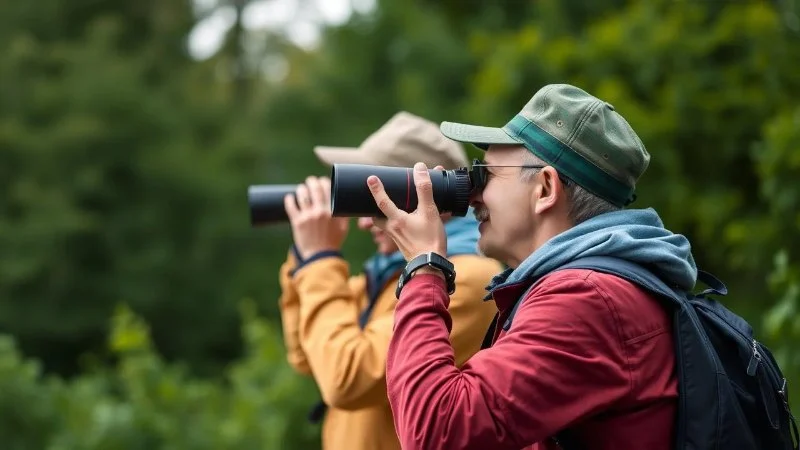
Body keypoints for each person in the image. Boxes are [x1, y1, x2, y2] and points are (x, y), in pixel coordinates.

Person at [365, 84, 696, 450]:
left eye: (486, 175)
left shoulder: (586, 299)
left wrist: (424, 266)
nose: (472, 195)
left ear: (544, 188)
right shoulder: (590, 290)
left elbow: (437, 431)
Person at [277, 111, 502, 450]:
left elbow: (345, 380)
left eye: (377, 203)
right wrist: (305, 255)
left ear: (426, 193)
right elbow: (306, 355)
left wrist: (320, 260)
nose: (365, 223)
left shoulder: (466, 278)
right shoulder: (385, 275)